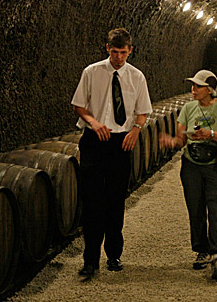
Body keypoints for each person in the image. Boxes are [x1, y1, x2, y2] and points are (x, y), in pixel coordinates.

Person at [71, 28, 152, 277]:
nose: (119, 57)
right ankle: (90, 260)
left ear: (130, 50)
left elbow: (143, 110)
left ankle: (114, 255)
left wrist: (136, 130)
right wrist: (93, 123)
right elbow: (79, 105)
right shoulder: (92, 72)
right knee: (93, 203)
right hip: (95, 142)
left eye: (123, 53)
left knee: (116, 202)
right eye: (115, 52)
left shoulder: (136, 77)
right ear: (107, 49)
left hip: (121, 144)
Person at [159, 69, 217, 281]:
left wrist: (210, 134)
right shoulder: (187, 108)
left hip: (216, 165)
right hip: (191, 164)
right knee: (195, 208)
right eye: (192, 85)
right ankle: (202, 250)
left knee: (215, 206)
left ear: (209, 89)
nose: (193, 89)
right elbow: (181, 139)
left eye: (198, 86)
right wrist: (172, 142)